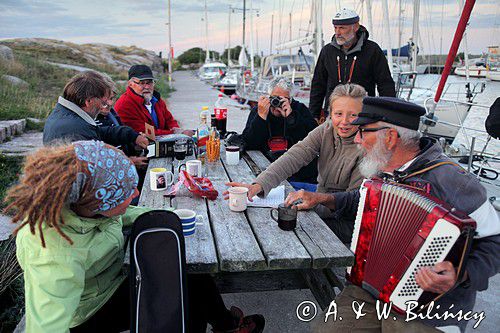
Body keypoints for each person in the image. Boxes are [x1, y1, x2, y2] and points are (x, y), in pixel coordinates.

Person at [6, 141, 265, 333]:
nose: (135, 193)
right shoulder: (54, 254)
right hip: (90, 311)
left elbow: (125, 213)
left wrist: (170, 213)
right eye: (126, 192)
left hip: (114, 279)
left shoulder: (88, 207)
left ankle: (226, 325)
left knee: (189, 275)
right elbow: (46, 324)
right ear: (100, 204)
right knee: (184, 298)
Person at [311, 97, 500, 332]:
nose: (356, 139)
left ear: (389, 137)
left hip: (431, 309)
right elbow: (364, 202)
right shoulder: (382, 168)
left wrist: (461, 274)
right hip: (370, 289)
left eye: (363, 132)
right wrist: (325, 199)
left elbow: (495, 241)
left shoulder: (455, 182)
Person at [226, 84, 366, 243]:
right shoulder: (327, 129)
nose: (344, 121)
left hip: (345, 224)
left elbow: (355, 204)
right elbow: (296, 155)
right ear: (330, 114)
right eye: (338, 114)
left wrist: (318, 199)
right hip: (319, 207)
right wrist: (258, 185)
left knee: (277, 233)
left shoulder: (367, 145)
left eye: (353, 115)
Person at [309, 8, 396, 121]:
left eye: (342, 28)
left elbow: (385, 84)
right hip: (334, 115)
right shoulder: (327, 51)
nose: (337, 32)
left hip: (363, 115)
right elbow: (318, 84)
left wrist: (389, 116)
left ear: (355, 27)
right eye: (335, 28)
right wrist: (313, 116)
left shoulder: (372, 50)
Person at [239, 78, 319, 184]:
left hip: (297, 172)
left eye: (284, 99)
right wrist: (261, 117)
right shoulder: (260, 110)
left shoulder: (300, 110)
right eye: (275, 98)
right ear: (269, 97)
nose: (278, 103)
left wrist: (291, 118)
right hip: (265, 170)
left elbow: (312, 143)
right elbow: (249, 143)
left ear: (291, 100)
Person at [43, 71, 149, 150]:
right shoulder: (75, 130)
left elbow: (99, 132)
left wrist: (132, 136)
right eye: (103, 102)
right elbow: (96, 167)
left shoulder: (67, 115)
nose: (108, 105)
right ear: (88, 101)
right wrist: (128, 161)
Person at [115, 64, 194, 137]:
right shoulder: (124, 105)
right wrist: (176, 133)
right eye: (142, 83)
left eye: (149, 82)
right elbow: (145, 133)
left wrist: (177, 130)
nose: (147, 87)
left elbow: (170, 120)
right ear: (130, 84)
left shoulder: (156, 99)